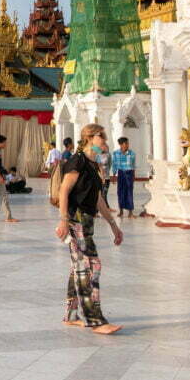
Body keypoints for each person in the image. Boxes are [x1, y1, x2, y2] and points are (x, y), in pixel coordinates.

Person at [56, 124, 124, 335]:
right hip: (75, 222)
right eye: (100, 136)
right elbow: (64, 191)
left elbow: (98, 200)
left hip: (86, 222)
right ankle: (95, 320)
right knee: (91, 266)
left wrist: (114, 226)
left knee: (78, 267)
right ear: (89, 138)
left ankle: (70, 315)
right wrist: (63, 220)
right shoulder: (77, 161)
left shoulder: (93, 166)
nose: (104, 140)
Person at [111, 137, 137, 218]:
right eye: (126, 143)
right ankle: (121, 211)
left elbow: (133, 165)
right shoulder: (116, 153)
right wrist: (114, 175)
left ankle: (130, 212)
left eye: (128, 143)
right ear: (121, 145)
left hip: (129, 173)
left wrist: (133, 175)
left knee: (129, 192)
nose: (127, 145)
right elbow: (114, 164)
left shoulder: (132, 153)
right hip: (121, 173)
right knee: (120, 192)